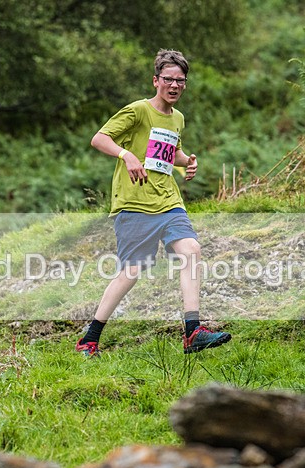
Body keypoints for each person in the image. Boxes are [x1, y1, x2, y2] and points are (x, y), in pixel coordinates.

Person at [76, 49, 231, 357]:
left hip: (168, 201)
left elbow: (168, 151)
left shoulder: (178, 118)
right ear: (156, 80)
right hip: (135, 203)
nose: (174, 86)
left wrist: (186, 161)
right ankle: (90, 338)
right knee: (132, 271)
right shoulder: (137, 110)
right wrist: (126, 154)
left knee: (191, 251)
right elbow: (99, 139)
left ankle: (193, 331)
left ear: (185, 84)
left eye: (180, 81)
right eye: (168, 79)